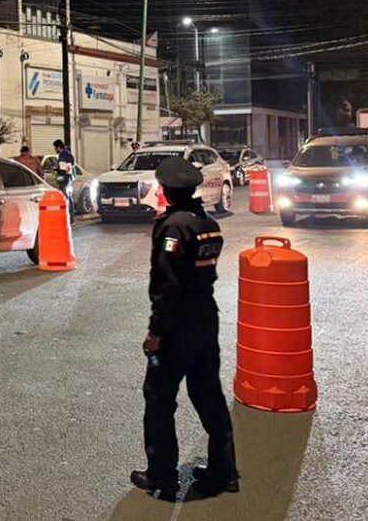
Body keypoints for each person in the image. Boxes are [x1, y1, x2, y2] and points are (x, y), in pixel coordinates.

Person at [130, 156, 238, 502]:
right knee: (209, 397)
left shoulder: (172, 228)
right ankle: (224, 471)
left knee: (159, 400)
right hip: (206, 319)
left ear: (166, 191)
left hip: (177, 327)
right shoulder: (207, 222)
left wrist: (156, 332)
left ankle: (162, 476)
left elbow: (167, 285)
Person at [53, 139, 76, 221]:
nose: (55, 150)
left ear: (59, 147)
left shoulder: (62, 155)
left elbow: (63, 170)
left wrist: (56, 170)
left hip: (64, 180)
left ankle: (65, 218)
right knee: (70, 199)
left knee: (64, 199)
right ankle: (71, 219)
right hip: (70, 179)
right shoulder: (69, 154)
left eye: (55, 148)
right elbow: (70, 168)